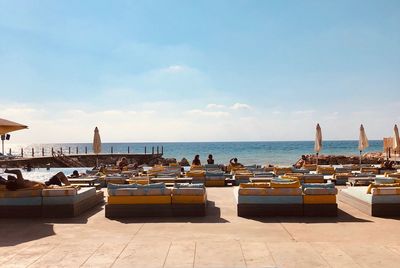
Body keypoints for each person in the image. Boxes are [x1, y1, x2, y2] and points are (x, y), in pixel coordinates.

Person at [0, 169, 71, 191]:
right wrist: (7, 171)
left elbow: (9, 177)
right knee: (61, 174)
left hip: (45, 184)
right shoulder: (20, 182)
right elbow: (18, 171)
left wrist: (5, 182)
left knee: (60, 175)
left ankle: (68, 186)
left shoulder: (19, 184)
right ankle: (69, 187)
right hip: (46, 185)